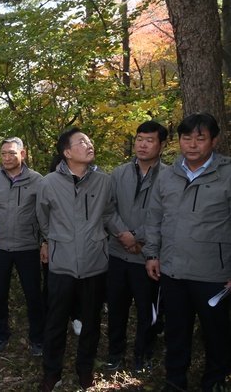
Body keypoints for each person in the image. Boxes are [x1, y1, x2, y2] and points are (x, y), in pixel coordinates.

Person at [144, 113, 231, 392]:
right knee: (176, 331)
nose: (192, 144)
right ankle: (175, 380)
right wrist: (152, 254)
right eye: (186, 138)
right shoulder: (168, 174)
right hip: (172, 269)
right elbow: (154, 217)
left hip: (213, 273)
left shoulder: (227, 173)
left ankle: (215, 380)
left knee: (216, 332)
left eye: (200, 138)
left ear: (214, 141)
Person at [36, 128, 122, 391]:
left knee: (91, 322)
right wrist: (53, 240)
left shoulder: (104, 181)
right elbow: (42, 215)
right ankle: (52, 373)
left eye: (90, 140)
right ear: (67, 152)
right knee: (55, 323)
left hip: (95, 263)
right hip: (61, 265)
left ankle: (85, 369)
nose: (89, 144)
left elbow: (109, 213)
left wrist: (125, 234)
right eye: (82, 142)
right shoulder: (49, 182)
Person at [106, 121, 168, 374]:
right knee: (116, 308)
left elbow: (167, 215)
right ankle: (114, 352)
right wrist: (124, 236)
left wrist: (137, 236)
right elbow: (108, 209)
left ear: (162, 145)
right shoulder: (118, 173)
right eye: (139, 139)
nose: (143, 144)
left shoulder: (170, 176)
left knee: (148, 311)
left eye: (150, 140)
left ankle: (143, 355)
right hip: (118, 254)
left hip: (149, 257)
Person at [0, 137, 45, 356]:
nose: (6, 157)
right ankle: (0, 335)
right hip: (0, 246)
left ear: (22, 154)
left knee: (33, 295)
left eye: (11, 153)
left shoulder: (37, 180)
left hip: (28, 246)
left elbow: (44, 214)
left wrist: (46, 242)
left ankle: (38, 338)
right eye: (3, 153)